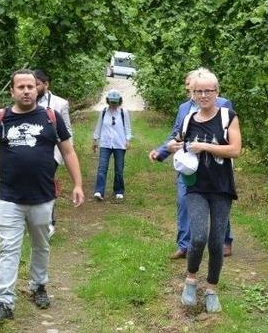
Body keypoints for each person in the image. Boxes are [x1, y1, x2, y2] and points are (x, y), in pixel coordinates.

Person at [0, 69, 84, 327]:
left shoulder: (51, 117)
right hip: (9, 198)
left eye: (30, 86)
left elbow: (68, 151)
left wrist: (78, 184)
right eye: (21, 87)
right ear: (12, 91)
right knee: (8, 248)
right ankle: (4, 302)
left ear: (38, 89)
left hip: (43, 197)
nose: (26, 91)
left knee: (41, 245)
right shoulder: (1, 118)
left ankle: (38, 286)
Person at [165, 68, 241, 313]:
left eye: (209, 90)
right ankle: (190, 280)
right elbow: (178, 141)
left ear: (217, 92)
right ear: (192, 94)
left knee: (217, 241)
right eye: (199, 91)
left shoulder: (228, 116)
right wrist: (172, 146)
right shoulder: (189, 119)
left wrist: (205, 147)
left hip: (221, 187)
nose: (204, 95)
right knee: (198, 237)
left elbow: (235, 150)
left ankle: (211, 289)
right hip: (196, 186)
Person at [149, 70, 235, 259]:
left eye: (199, 88)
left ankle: (225, 240)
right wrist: (162, 151)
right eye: (191, 88)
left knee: (219, 206)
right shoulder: (184, 109)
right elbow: (176, 135)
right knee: (183, 202)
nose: (194, 92)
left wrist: (207, 146)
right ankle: (185, 245)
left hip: (215, 167)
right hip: (188, 165)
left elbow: (231, 140)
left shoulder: (223, 105)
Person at [35, 69, 72, 237]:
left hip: (52, 153)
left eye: (37, 84)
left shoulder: (60, 103)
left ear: (46, 84)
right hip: (29, 153)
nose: (33, 88)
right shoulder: (25, 101)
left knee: (45, 184)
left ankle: (49, 222)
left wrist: (65, 155)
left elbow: (67, 132)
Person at [92, 89, 132, 201]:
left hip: (119, 144)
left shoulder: (124, 113)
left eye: (115, 102)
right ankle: (99, 191)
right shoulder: (104, 112)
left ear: (119, 101)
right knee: (102, 168)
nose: (113, 104)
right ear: (108, 101)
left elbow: (127, 128)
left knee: (119, 169)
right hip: (105, 143)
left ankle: (118, 191)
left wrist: (128, 140)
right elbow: (99, 126)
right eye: (111, 102)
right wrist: (95, 140)